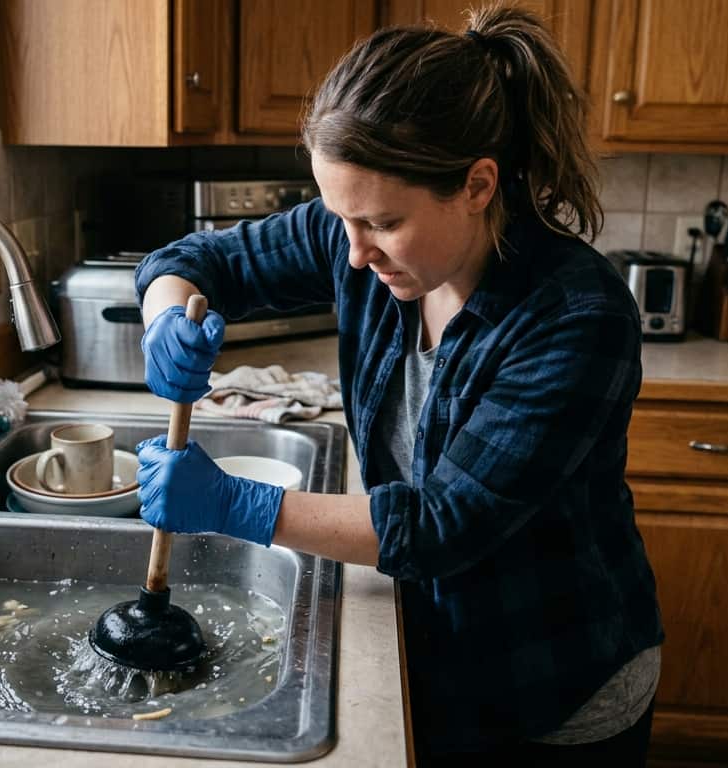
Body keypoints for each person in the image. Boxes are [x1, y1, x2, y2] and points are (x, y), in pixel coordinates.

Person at [131, 4, 663, 764]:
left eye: (381, 222)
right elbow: (200, 261)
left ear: (478, 185)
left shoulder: (577, 316)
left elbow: (447, 525)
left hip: (551, 685)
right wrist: (163, 318)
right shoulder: (360, 236)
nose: (352, 253)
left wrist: (234, 505)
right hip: (435, 653)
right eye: (341, 217)